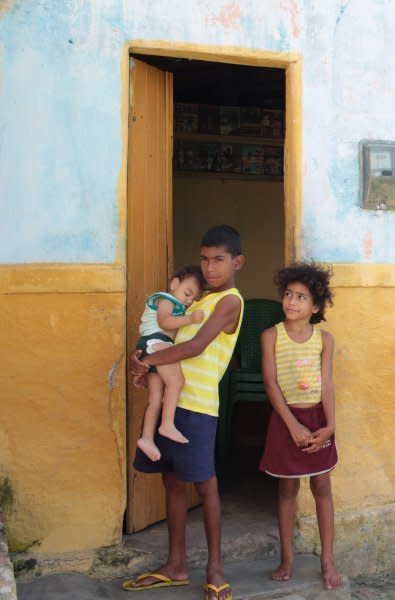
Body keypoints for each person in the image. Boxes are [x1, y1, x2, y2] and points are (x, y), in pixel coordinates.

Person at [122, 225, 244, 600]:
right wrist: (148, 364)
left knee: (205, 487)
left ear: (237, 262)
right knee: (172, 482)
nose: (210, 268)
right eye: (205, 259)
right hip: (173, 405)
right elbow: (173, 340)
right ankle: (175, 565)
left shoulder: (231, 302)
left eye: (219, 260)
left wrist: (150, 359)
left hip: (199, 408)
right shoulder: (197, 302)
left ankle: (215, 569)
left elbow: (197, 347)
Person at [258, 262, 342, 590]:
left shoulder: (325, 339)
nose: (292, 302)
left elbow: (328, 385)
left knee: (322, 488)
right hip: (286, 420)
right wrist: (292, 426)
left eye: (301, 297)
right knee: (287, 489)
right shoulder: (270, 336)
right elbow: (270, 384)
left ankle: (328, 561)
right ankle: (287, 558)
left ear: (315, 307)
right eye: (289, 295)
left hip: (318, 420)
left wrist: (330, 426)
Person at [134, 266, 206, 462]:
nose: (188, 300)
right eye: (187, 293)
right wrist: (190, 319)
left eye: (193, 299)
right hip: (156, 343)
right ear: (174, 284)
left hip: (153, 347)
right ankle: (167, 424)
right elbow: (165, 322)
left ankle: (147, 438)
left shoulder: (178, 305)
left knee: (156, 398)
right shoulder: (166, 300)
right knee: (176, 382)